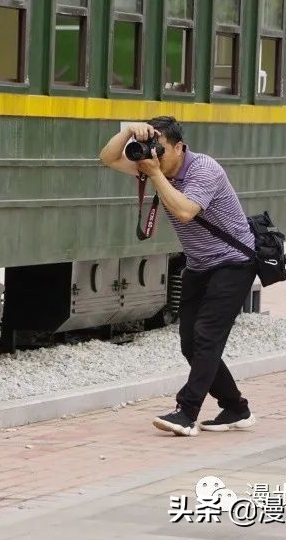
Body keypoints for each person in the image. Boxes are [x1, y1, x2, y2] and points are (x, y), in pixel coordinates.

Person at [99, 116, 257, 437]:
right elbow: (108, 158)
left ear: (180, 147)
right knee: (190, 344)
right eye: (150, 148)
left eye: (161, 149)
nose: (154, 154)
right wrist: (129, 131)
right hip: (199, 265)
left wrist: (155, 174)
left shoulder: (203, 169)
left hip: (234, 263)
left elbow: (185, 211)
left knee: (206, 338)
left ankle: (186, 412)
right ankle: (235, 407)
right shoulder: (156, 166)